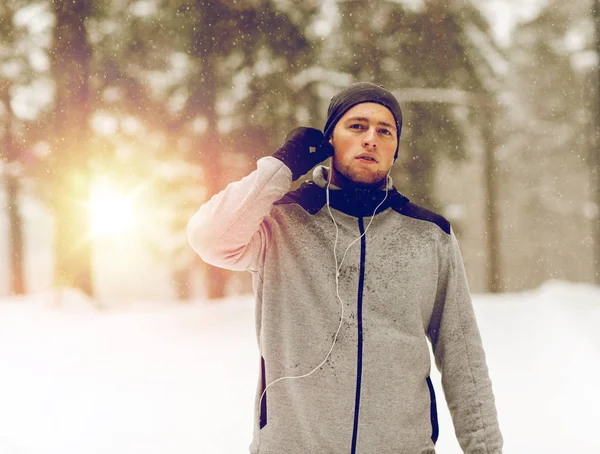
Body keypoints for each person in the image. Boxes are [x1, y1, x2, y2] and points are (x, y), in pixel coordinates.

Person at [187, 82, 503, 454]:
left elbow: (462, 356)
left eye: (385, 131)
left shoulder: (428, 236)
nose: (371, 138)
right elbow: (210, 238)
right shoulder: (281, 221)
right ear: (329, 141)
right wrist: (281, 166)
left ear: (395, 149)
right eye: (356, 126)